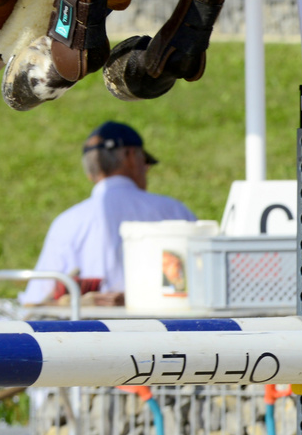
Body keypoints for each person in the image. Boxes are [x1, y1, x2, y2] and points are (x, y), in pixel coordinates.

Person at [21, 121, 194, 305]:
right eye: (145, 162)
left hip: (90, 330)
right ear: (130, 156)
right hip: (163, 326)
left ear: (90, 173)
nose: (146, 170)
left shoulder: (66, 223)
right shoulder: (174, 210)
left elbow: (36, 300)